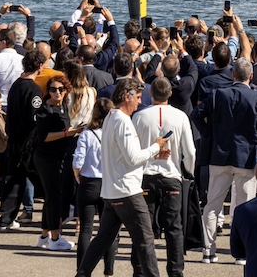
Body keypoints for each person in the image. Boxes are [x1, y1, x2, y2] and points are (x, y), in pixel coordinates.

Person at [75, 79, 171, 277]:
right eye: (137, 98)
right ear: (126, 97)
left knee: (103, 239)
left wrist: (153, 153)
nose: (139, 102)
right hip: (127, 192)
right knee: (146, 240)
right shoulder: (122, 121)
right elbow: (133, 157)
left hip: (113, 191)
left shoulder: (111, 116)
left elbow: (124, 156)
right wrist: (156, 146)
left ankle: (82, 274)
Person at [135, 76, 197, 277]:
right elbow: (190, 151)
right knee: (174, 228)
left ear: (150, 93)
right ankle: (175, 271)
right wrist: (188, 171)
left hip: (145, 176)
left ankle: (141, 270)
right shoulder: (180, 117)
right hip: (171, 176)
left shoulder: (139, 116)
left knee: (143, 228)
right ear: (170, 94)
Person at [0, 48, 45, 229]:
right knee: (37, 181)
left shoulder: (16, 84)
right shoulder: (34, 90)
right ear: (39, 66)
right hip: (27, 143)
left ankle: (6, 217)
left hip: (13, 138)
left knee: (12, 180)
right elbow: (34, 118)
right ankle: (53, 214)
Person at [34, 72, 78, 251]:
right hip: (46, 157)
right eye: (53, 90)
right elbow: (43, 137)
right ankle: (54, 237)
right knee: (54, 197)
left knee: (52, 196)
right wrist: (68, 133)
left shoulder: (64, 108)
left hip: (60, 156)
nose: (57, 93)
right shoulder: (45, 110)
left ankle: (44, 236)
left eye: (60, 89)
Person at [73, 98, 117, 276]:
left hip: (89, 181)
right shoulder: (114, 134)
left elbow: (78, 160)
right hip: (108, 182)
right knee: (109, 229)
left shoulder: (87, 134)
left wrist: (78, 175)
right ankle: (108, 269)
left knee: (86, 229)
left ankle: (82, 270)